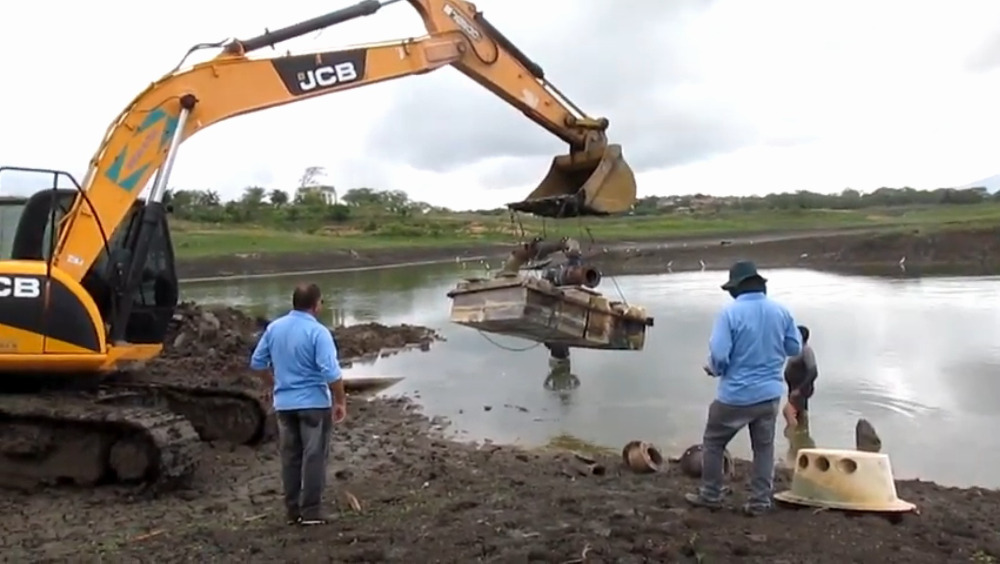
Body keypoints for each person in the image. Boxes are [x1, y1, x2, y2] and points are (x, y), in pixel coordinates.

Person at [686, 260, 802, 516]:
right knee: (763, 448)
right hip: (769, 396)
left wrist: (714, 369)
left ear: (735, 289)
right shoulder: (782, 311)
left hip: (734, 396)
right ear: (760, 286)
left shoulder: (729, 314)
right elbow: (794, 348)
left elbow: (719, 355)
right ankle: (760, 501)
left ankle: (711, 495)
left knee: (713, 443)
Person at [250, 283, 347, 526]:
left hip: (284, 405)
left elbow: (257, 363)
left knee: (290, 457)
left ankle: (293, 511)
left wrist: (274, 384)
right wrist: (340, 401)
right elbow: (331, 373)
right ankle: (312, 510)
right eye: (321, 302)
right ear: (316, 305)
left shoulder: (274, 328)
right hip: (314, 404)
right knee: (314, 456)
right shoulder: (318, 332)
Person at [782, 325, 818, 463]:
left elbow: (813, 372)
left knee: (788, 412)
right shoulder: (797, 350)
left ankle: (795, 435)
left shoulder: (806, 351)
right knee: (799, 414)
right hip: (794, 389)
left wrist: (800, 389)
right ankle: (799, 445)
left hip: (801, 390)